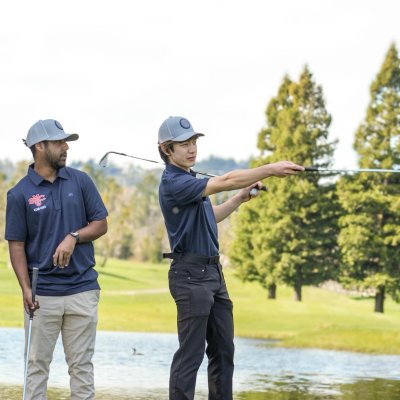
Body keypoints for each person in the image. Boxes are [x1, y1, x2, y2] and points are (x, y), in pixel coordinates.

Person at [157, 116, 304, 400]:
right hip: (190, 276)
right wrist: (270, 169)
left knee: (224, 351)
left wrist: (239, 199)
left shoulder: (188, 180)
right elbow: (225, 180)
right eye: (184, 144)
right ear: (166, 149)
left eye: (193, 143)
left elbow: (209, 217)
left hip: (213, 275)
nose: (192, 149)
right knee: (191, 354)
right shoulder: (174, 183)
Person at [5, 119, 108, 400]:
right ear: (40, 147)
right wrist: (26, 289)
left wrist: (73, 235)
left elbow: (101, 223)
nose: (66, 147)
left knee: (81, 368)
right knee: (36, 368)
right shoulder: (19, 194)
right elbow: (16, 246)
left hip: (82, 290)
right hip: (42, 295)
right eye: (60, 142)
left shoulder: (81, 181)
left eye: (66, 142)